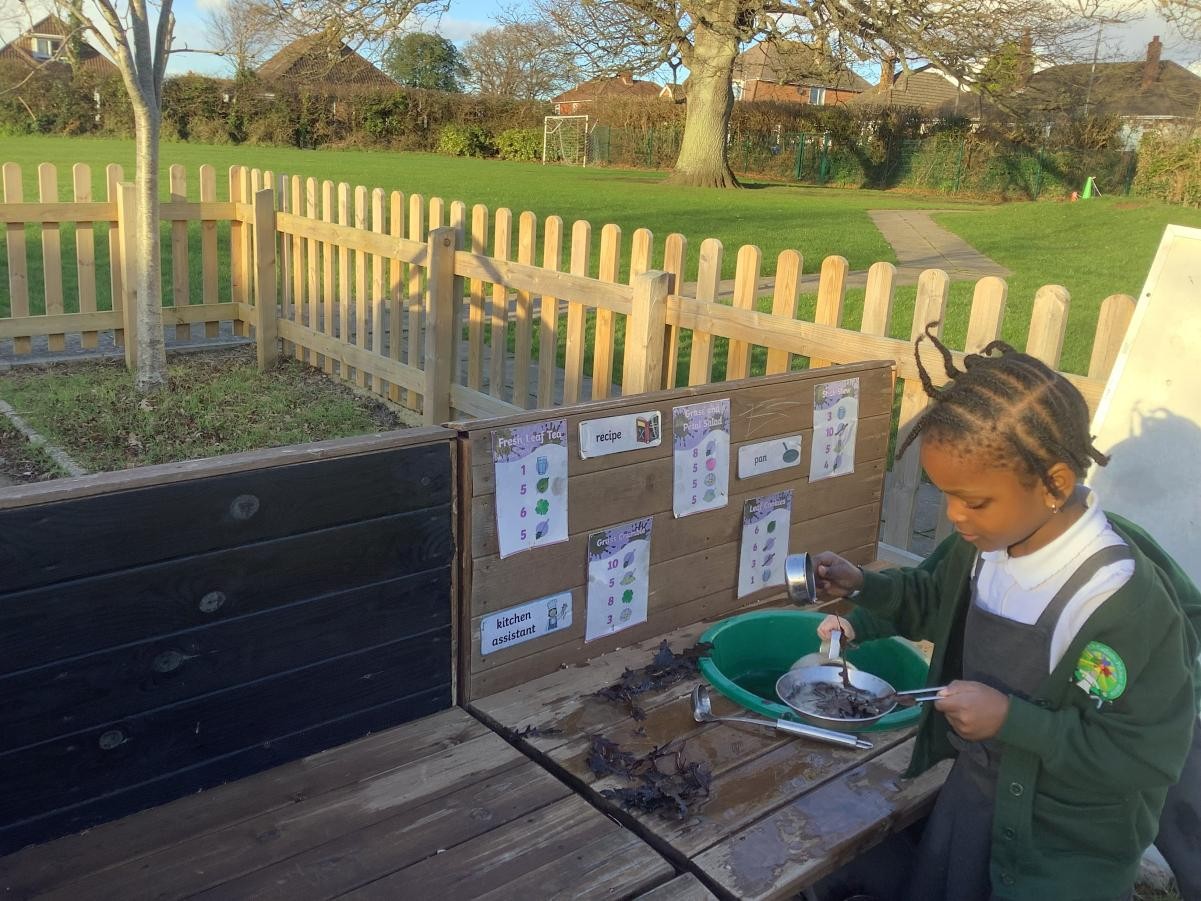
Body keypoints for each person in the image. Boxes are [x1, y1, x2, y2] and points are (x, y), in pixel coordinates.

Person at [811, 323, 1199, 901]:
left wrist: (1014, 722)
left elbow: (1144, 757)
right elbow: (932, 600)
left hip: (1065, 854)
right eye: (945, 494)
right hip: (977, 804)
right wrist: (864, 586)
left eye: (973, 500)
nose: (954, 516)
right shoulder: (988, 543)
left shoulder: (1116, 601)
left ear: (1054, 483)